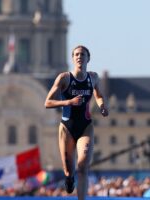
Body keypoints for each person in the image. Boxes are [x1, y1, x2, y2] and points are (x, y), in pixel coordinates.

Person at [44, 45, 108, 199]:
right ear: (73, 58)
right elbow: (47, 102)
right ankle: (68, 178)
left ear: (88, 58)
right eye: (77, 55)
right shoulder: (64, 78)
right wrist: (69, 102)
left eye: (83, 55)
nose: (80, 57)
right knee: (69, 170)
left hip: (85, 126)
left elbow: (98, 95)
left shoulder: (93, 78)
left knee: (83, 167)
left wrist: (102, 106)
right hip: (67, 127)